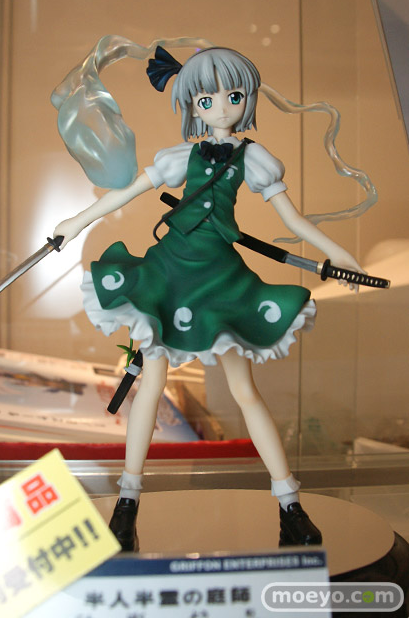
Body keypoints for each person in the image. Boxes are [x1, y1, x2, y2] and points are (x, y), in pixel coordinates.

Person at [53, 45, 364, 550]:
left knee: (245, 391)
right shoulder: (181, 157)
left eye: (233, 96)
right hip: (169, 271)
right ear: (192, 104)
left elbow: (292, 219)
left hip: (220, 280)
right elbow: (127, 192)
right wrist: (76, 222)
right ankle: (126, 505)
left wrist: (339, 253)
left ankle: (290, 504)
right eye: (206, 99)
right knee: (151, 386)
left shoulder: (253, 159)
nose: (220, 108)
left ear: (247, 99)